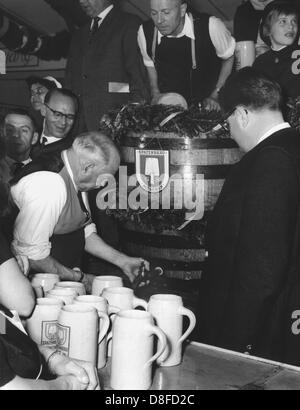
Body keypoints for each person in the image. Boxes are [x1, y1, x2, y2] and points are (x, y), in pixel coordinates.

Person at [197, 67, 300, 364]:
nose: (229, 130)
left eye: (227, 120)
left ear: (242, 114)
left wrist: (235, 342)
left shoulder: (270, 160)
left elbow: (262, 268)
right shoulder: (291, 147)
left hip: (261, 334)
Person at [0, 141, 99, 391]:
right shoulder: (51, 184)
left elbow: (2, 327)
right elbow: (11, 388)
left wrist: (51, 358)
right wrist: (66, 385)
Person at [11, 131, 149, 288]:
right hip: (32, 287)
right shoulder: (49, 184)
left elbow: (84, 232)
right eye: (105, 177)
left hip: (60, 284)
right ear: (88, 167)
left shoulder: (76, 175)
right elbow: (32, 256)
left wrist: (123, 261)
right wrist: (80, 278)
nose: (104, 184)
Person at [65, 0, 149, 133]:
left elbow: (138, 82)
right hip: (80, 128)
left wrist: (131, 124)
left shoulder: (130, 24)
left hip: (117, 127)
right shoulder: (79, 34)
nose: (81, 1)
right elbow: (70, 82)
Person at [138, 0, 236, 110]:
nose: (159, 20)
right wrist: (155, 93)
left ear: (182, 9)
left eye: (166, 12)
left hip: (207, 107)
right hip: (171, 108)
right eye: (154, 13)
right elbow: (150, 64)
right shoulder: (145, 32)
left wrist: (215, 95)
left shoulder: (211, 26)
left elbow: (229, 57)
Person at [253, 1, 300, 100]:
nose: (291, 26)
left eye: (294, 21)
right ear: (267, 29)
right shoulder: (260, 62)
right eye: (283, 21)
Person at [31, 88, 78, 159]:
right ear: (43, 110)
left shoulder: (74, 152)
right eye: (58, 114)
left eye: (70, 117)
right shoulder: (29, 138)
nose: (63, 122)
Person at [1, 109, 39, 180]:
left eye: (24, 130)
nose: (16, 135)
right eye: (10, 130)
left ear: (34, 138)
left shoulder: (41, 172)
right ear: (2, 134)